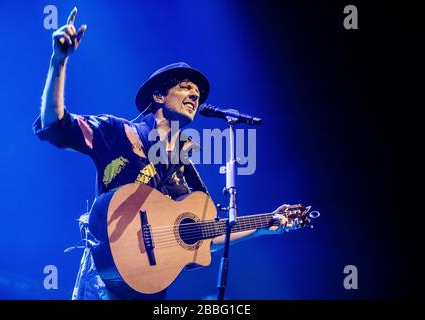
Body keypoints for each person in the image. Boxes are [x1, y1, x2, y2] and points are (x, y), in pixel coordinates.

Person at [33, 7, 295, 300]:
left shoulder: (183, 164)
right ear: (158, 96)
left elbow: (203, 233)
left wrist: (265, 225)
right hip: (107, 280)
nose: (195, 95)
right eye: (185, 88)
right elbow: (55, 125)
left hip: (151, 286)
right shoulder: (118, 132)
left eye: (197, 93)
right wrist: (59, 60)